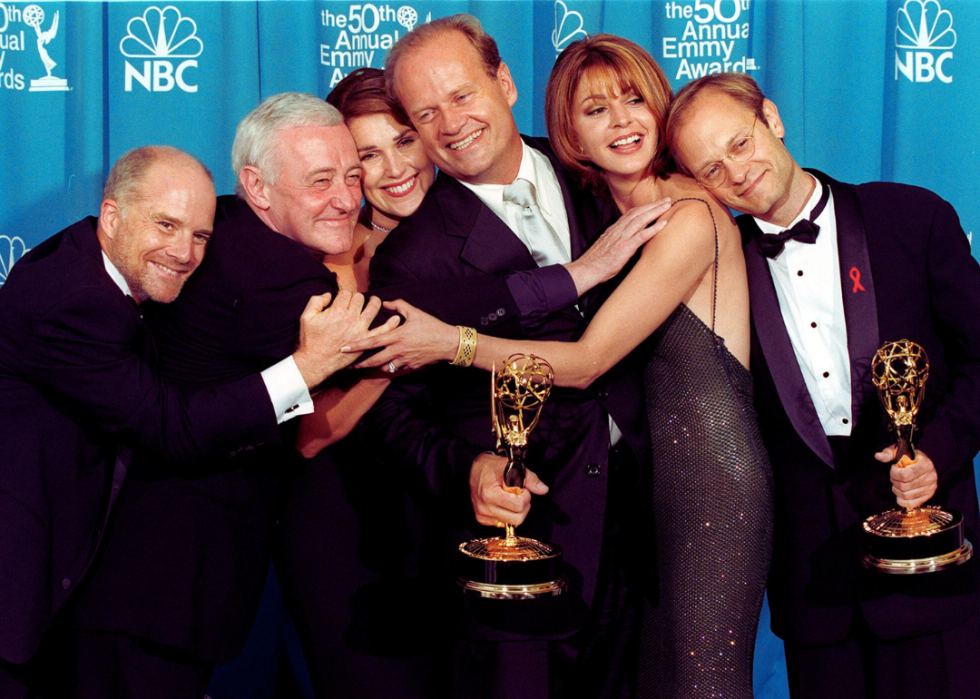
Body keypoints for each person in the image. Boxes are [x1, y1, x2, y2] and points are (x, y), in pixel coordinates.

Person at [353, 35, 773, 699]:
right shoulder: (410, 257)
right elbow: (392, 416)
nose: (453, 122)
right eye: (427, 113)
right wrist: (468, 471)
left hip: (648, 526)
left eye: (462, 94)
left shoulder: (608, 176)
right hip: (525, 544)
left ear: (506, 82)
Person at [0, 145, 365, 698]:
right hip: (22, 581)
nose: (183, 253)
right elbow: (175, 430)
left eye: (199, 235)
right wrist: (307, 366)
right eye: (166, 225)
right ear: (114, 215)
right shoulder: (76, 302)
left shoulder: (88, 256)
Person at [667, 72, 980, 699]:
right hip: (816, 588)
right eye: (711, 168)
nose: (737, 171)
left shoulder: (911, 217)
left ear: (772, 120)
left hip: (926, 564)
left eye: (740, 142)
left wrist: (936, 455)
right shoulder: (718, 273)